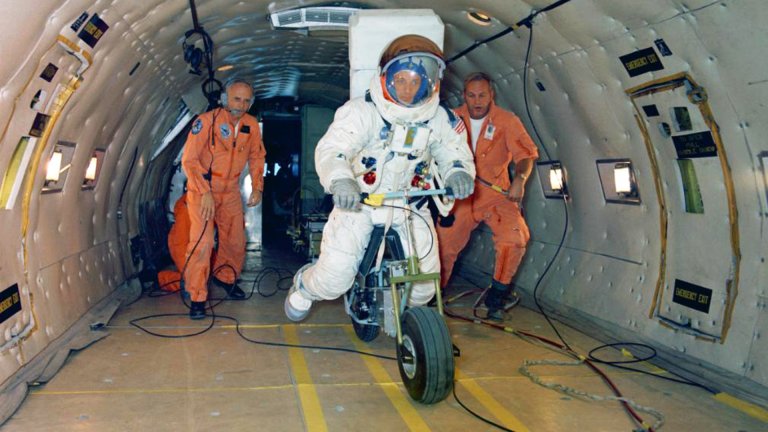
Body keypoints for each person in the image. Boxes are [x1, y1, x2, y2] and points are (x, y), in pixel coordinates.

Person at [284, 34, 476, 322]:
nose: (408, 89)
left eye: (415, 81)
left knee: (423, 288)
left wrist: (458, 172)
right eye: (401, 80)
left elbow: (454, 152)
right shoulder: (362, 112)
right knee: (334, 279)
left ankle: (399, 318)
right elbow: (334, 149)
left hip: (409, 206)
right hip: (360, 204)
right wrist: (341, 179)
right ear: (387, 79)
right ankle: (304, 288)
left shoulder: (439, 118)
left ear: (429, 83)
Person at [436, 72, 539, 321]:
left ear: (491, 95)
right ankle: (432, 297)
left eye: (482, 95)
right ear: (464, 96)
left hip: (495, 194)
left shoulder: (507, 121)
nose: (477, 101)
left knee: (514, 239)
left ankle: (496, 300)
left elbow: (525, 154)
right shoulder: (450, 119)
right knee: (441, 247)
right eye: (472, 96)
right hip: (459, 195)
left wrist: (520, 179)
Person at [181, 79, 266, 319]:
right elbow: (189, 161)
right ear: (224, 99)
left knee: (235, 241)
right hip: (203, 190)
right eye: (237, 99)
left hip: (230, 191)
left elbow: (257, 156)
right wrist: (204, 192)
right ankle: (197, 296)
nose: (242, 105)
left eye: (247, 101)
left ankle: (226, 278)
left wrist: (257, 187)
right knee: (203, 243)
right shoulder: (206, 122)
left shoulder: (251, 125)